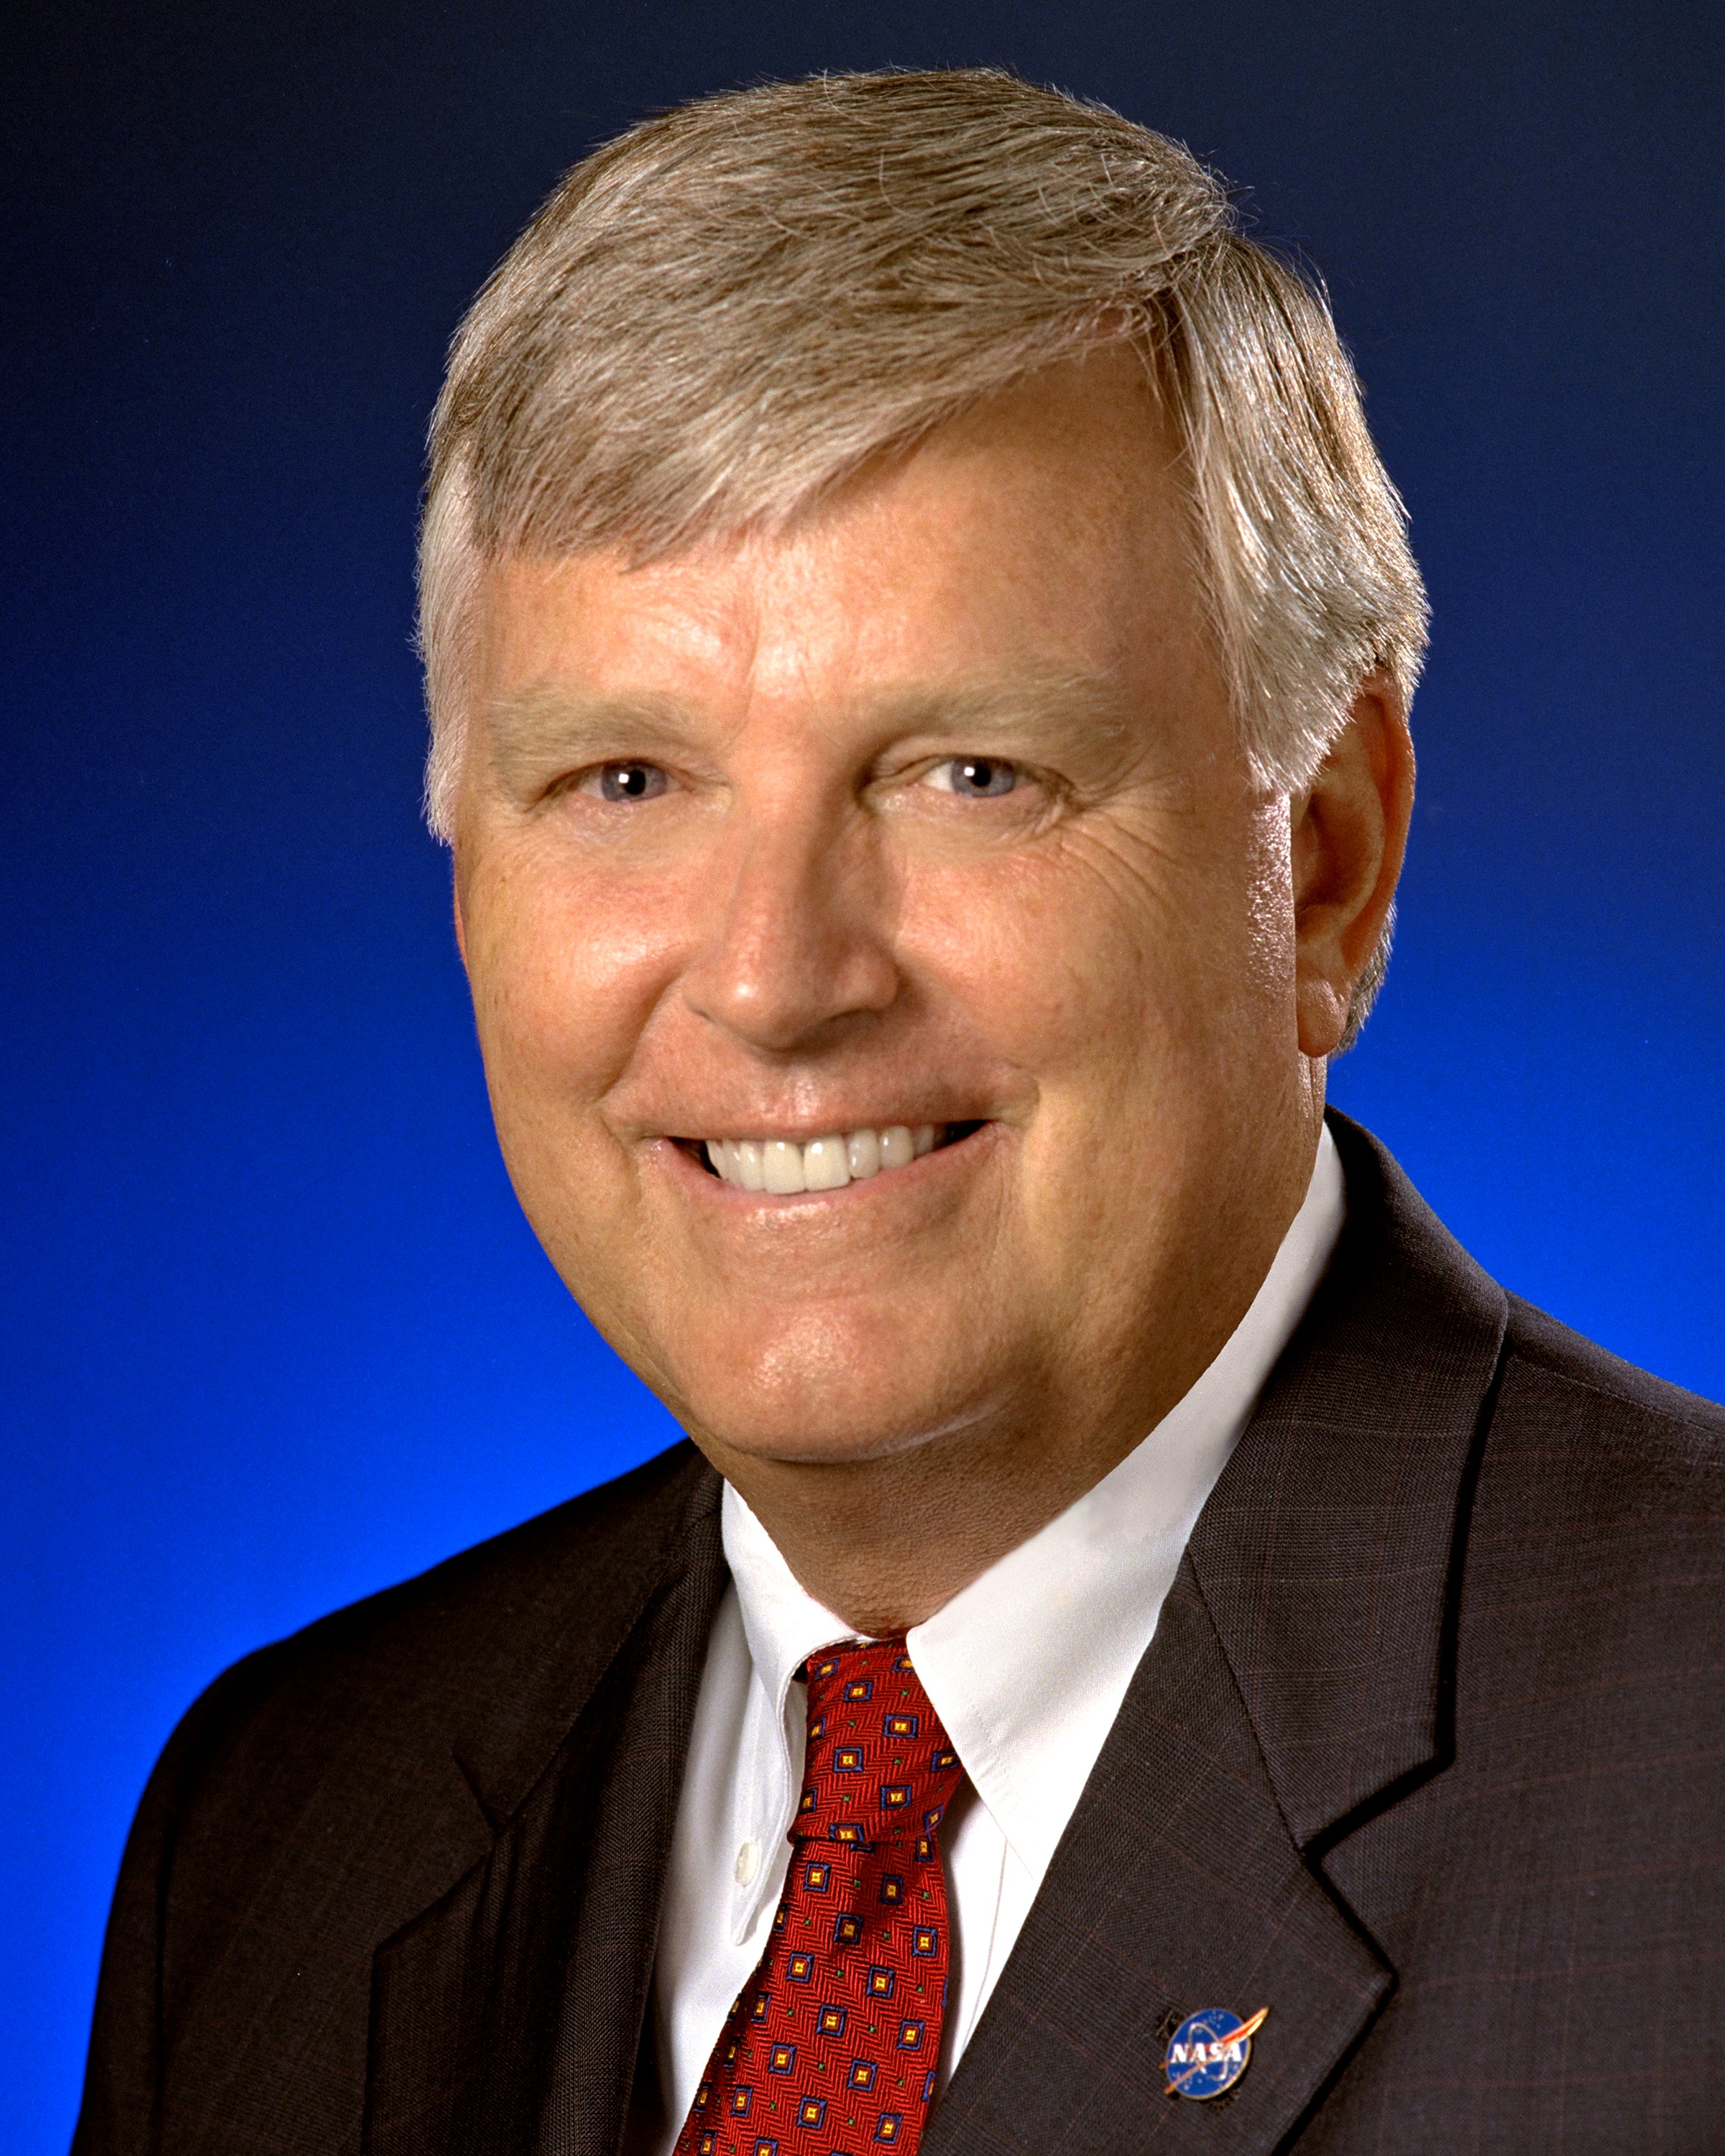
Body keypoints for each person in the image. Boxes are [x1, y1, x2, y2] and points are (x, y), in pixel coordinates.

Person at [74, 68, 1723, 2156]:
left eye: (969, 775)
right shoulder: (287, 1826)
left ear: (1325, 864)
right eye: (627, 783)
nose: (774, 978)